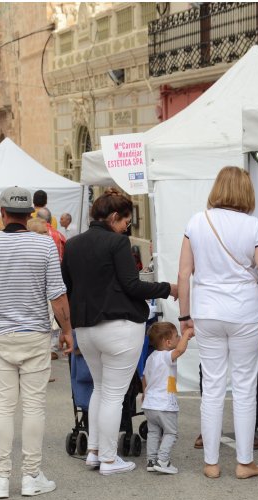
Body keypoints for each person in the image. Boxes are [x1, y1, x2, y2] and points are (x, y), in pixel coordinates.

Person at [0, 186, 73, 499]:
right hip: (35, 333)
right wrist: (67, 330)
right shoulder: (44, 245)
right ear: (29, 213)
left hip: (0, 334)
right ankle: (31, 475)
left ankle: (0, 478)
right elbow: (57, 295)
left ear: (2, 212)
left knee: (4, 407)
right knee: (34, 406)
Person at [62, 189, 177, 476]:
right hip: (119, 327)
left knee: (100, 389)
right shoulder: (117, 242)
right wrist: (168, 288)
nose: (127, 227)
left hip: (85, 328)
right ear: (114, 217)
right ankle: (109, 459)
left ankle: (95, 452)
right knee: (114, 394)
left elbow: (68, 286)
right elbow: (132, 285)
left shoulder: (72, 244)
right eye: (126, 221)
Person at [177, 166, 258, 480]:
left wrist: (184, 317)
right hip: (246, 311)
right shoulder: (257, 227)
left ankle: (211, 463)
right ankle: (245, 463)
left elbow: (184, 274)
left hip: (207, 311)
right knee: (245, 386)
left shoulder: (197, 221)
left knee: (212, 386)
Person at [142, 322, 193, 475]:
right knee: (171, 433)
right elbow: (180, 350)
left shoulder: (151, 357)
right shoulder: (165, 356)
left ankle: (151, 460)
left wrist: (145, 393)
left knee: (153, 432)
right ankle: (163, 460)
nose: (179, 338)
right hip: (164, 404)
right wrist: (187, 334)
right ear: (168, 342)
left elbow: (144, 377)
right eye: (177, 336)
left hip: (150, 404)